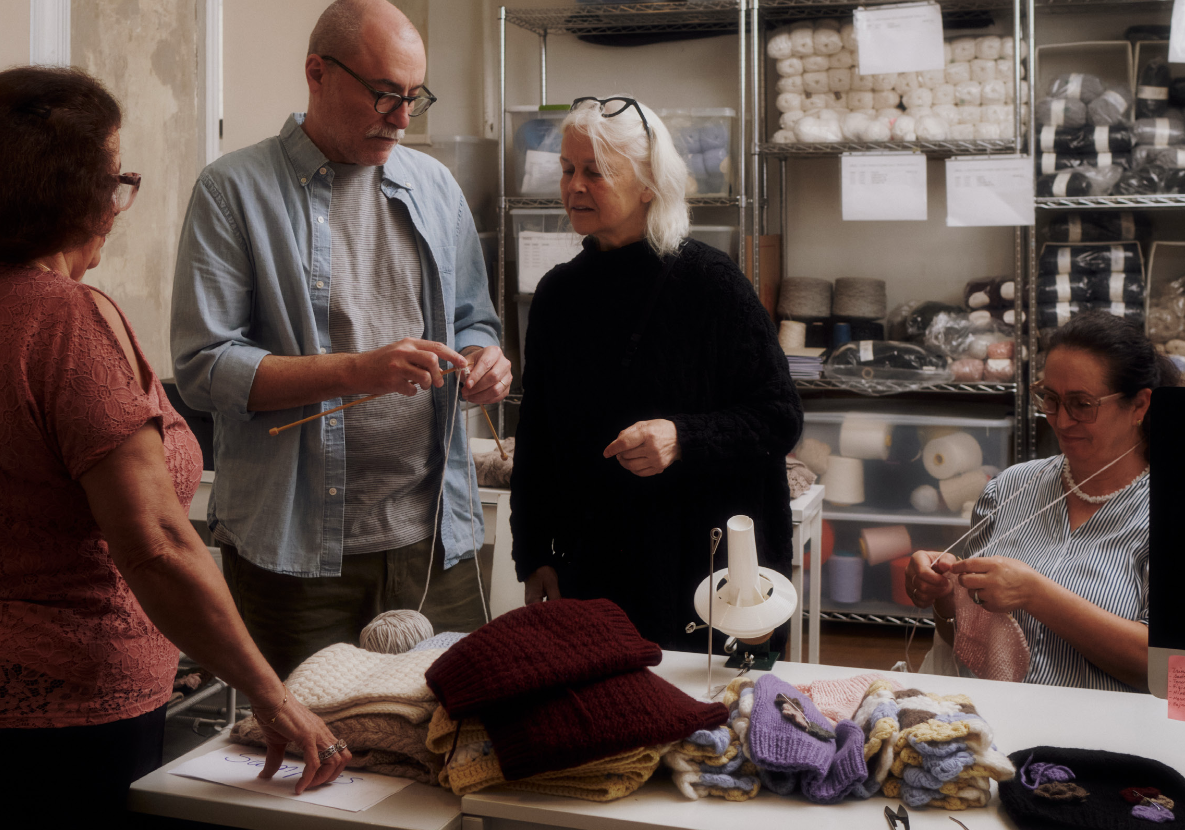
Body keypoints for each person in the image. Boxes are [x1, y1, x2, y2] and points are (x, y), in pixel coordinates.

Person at [0, 66, 350, 830]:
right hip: (73, 716)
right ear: (72, 193)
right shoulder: (65, 324)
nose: (118, 202)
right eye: (116, 179)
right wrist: (271, 695)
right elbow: (155, 544)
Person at [171, 0, 510, 679]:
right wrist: (357, 371)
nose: (403, 118)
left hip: (436, 538)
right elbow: (205, 369)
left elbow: (475, 319)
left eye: (414, 97)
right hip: (293, 552)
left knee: (450, 732)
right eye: (385, 94)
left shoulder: (435, 187)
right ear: (317, 73)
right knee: (306, 739)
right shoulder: (232, 191)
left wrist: (485, 359)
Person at [509, 96, 803, 650]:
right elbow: (538, 435)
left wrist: (682, 437)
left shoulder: (712, 284)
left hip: (705, 571)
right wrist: (534, 552)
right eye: (567, 169)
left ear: (648, 183)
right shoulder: (558, 295)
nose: (574, 187)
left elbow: (779, 417)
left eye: (595, 172)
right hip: (594, 566)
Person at [907, 311, 1179, 692]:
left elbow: (1169, 672)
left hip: (1101, 730)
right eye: (1050, 399)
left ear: (1140, 405)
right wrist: (943, 598)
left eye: (1082, 404)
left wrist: (1037, 595)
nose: (1061, 421)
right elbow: (967, 642)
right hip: (997, 721)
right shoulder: (1010, 488)